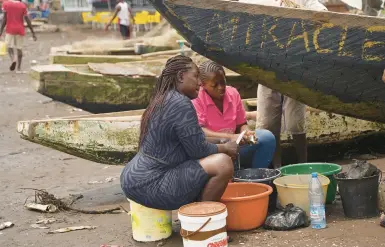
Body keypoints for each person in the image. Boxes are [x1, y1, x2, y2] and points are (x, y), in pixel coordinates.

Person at [120, 55, 239, 210]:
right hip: (151, 183)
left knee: (211, 160)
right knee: (223, 164)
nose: (199, 83)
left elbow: (194, 139)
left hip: (134, 178)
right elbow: (198, 150)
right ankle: (202, 218)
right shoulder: (180, 103)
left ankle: (196, 216)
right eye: (196, 76)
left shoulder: (164, 98)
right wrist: (225, 148)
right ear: (181, 76)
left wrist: (219, 142)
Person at [238, 0, 327, 168]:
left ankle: (304, 164)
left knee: (296, 123)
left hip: (295, 70)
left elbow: (320, 11)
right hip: (268, 71)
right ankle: (277, 167)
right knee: (268, 126)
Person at [192, 60, 276, 170]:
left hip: (234, 146)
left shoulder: (232, 93)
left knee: (267, 137)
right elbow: (200, 131)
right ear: (203, 85)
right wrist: (230, 137)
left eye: (223, 82)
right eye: (214, 85)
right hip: (212, 151)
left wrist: (246, 132)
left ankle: (256, 176)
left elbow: (241, 124)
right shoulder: (197, 99)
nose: (221, 87)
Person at [0, 0, 36, 72]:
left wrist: (0, 31)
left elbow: (4, 19)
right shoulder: (23, 5)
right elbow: (27, 19)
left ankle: (13, 59)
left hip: (10, 29)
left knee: (9, 47)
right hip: (20, 29)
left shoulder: (6, 4)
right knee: (19, 48)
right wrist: (33, 33)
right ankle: (19, 68)